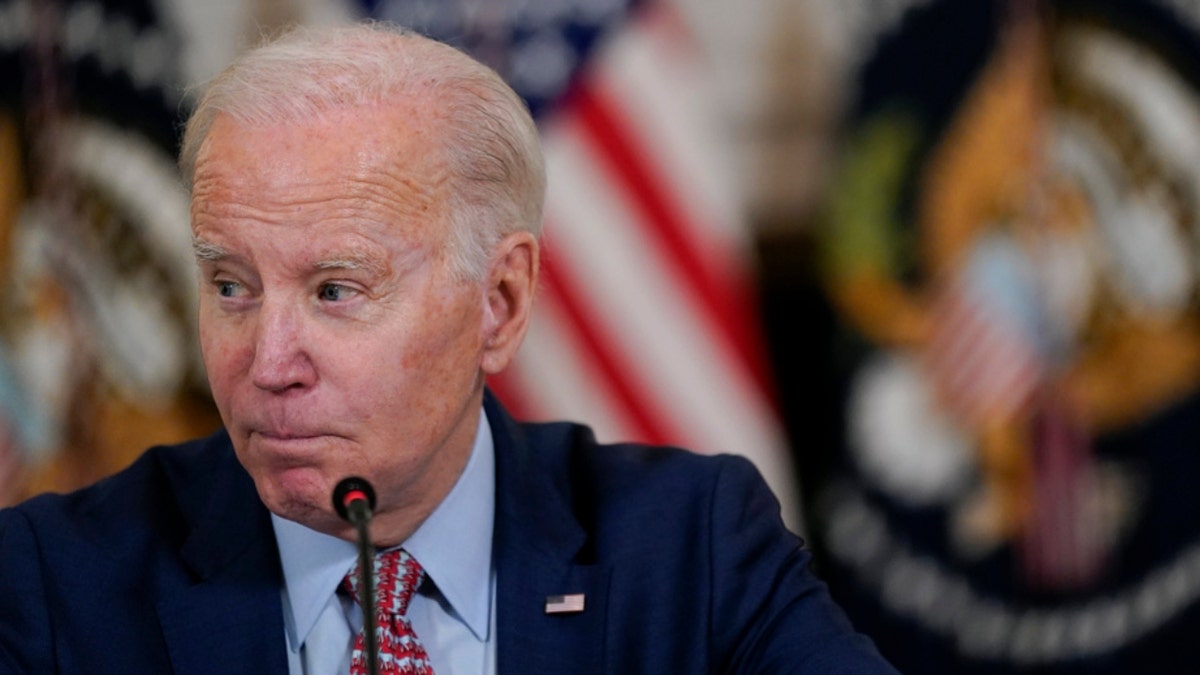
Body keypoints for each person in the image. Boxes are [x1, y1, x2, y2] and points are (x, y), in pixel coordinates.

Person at [0, 22, 897, 674]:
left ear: (499, 304)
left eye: (335, 291)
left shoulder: (690, 549)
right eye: (231, 285)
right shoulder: (53, 581)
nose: (266, 361)